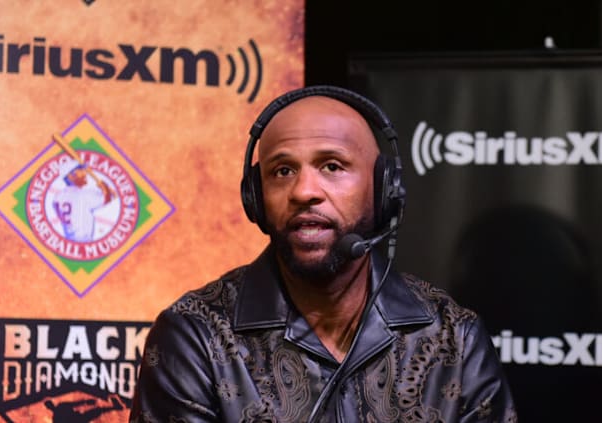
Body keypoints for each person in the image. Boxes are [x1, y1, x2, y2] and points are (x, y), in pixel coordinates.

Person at [129, 85, 516, 422]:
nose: (303, 191)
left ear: (383, 190)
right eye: (282, 171)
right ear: (255, 197)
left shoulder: (452, 337)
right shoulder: (196, 335)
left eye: (332, 166)